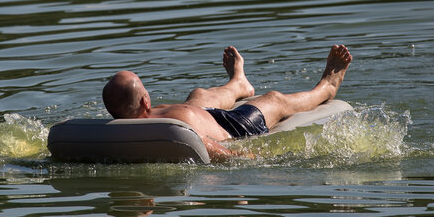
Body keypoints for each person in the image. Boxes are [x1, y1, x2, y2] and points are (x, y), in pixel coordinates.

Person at [102, 45, 353, 161]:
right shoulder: (169, 132)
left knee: (199, 94)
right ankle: (326, 87)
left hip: (202, 113)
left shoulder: (123, 125)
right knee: (274, 99)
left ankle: (238, 83)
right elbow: (218, 151)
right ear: (146, 100)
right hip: (234, 126)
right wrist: (254, 157)